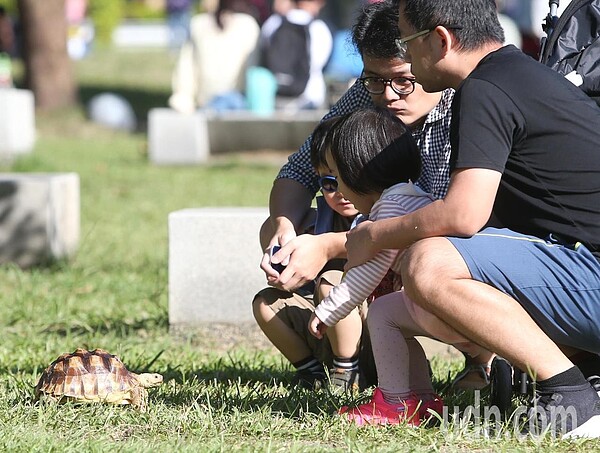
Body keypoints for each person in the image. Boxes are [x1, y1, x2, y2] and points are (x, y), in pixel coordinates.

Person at [344, 0, 600, 436]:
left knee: (430, 262)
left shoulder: (485, 89)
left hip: (590, 273)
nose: (404, 54)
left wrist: (374, 235)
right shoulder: (517, 76)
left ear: (440, 40)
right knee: (411, 294)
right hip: (583, 271)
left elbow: (463, 215)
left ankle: (570, 398)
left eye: (406, 42)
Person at [259, 0, 493, 390]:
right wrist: (283, 227)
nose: (387, 94)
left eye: (403, 79)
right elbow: (301, 169)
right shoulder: (366, 93)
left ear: (429, 57)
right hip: (380, 256)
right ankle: (352, 361)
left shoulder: (467, 106)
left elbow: (439, 219)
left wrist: (328, 245)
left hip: (461, 252)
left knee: (426, 260)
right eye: (373, 79)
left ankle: (485, 358)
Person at [304, 106, 453, 426]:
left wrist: (329, 310)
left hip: (439, 300)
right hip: (445, 295)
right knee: (400, 328)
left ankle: (395, 404)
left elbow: (369, 270)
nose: (339, 189)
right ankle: (423, 400)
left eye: (338, 176)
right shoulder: (415, 197)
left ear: (358, 173)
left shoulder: (390, 207)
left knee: (384, 314)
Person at [254, 116, 370, 391]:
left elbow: (373, 242)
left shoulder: (382, 212)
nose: (341, 191)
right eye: (330, 182)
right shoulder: (315, 220)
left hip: (375, 332)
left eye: (351, 178)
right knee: (264, 303)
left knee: (331, 281)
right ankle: (312, 372)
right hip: (324, 326)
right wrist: (281, 262)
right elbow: (272, 234)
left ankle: (347, 372)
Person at [168, 0, 260, 114]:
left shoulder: (247, 25)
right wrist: (183, 98)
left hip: (239, 104)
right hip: (206, 105)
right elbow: (187, 67)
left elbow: (253, 69)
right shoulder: (198, 24)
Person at [259, 0, 332, 111]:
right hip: (310, 98)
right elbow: (319, 63)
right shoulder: (320, 28)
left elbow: (264, 52)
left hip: (276, 98)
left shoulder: (272, 23)